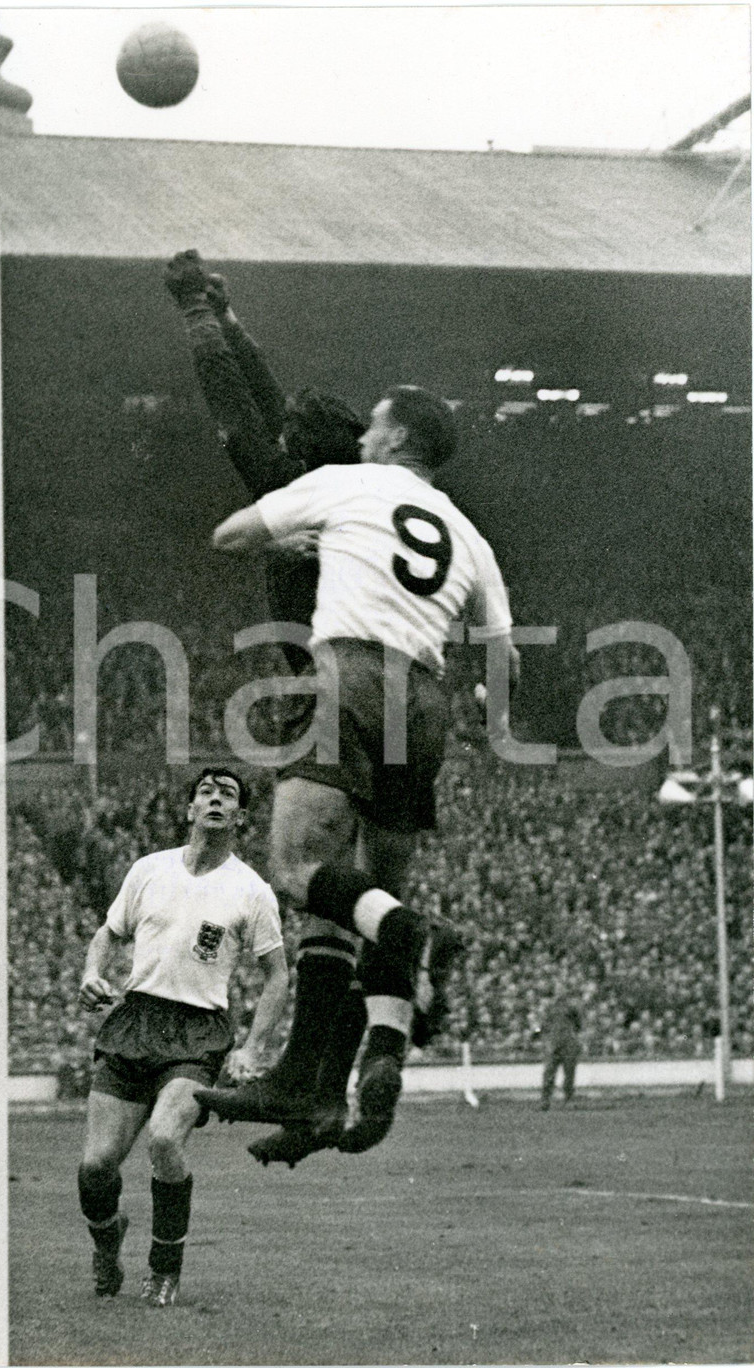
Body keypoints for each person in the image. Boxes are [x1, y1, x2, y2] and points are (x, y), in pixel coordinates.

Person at [195, 384, 518, 1153]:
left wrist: (292, 541)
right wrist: (499, 724)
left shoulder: (346, 483)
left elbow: (228, 535)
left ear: (398, 437)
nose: (365, 438)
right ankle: (360, 1071)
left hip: (350, 678)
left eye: (375, 427)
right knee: (364, 891)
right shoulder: (469, 535)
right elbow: (502, 645)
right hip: (427, 701)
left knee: (297, 867)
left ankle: (424, 939)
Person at [164, 251, 374, 1167]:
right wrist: (229, 312)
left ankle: (320, 1074)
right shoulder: (352, 492)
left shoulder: (297, 507)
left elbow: (234, 417)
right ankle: (326, 1093)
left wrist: (198, 321)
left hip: (318, 700)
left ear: (302, 452)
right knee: (333, 905)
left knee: (300, 878)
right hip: (384, 702)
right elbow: (277, 402)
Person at [76, 767, 288, 1306]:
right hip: (135, 1022)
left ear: (239, 817)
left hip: (198, 1032)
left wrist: (253, 1047)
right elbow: (108, 934)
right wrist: (91, 972)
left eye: (228, 795)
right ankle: (107, 1242)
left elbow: (278, 975)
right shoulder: (149, 869)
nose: (215, 799)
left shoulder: (251, 891)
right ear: (191, 809)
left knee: (166, 1138)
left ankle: (164, 1270)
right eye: (206, 792)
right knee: (96, 1168)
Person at [538, 988, 582, 1110]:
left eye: (562, 992)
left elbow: (578, 1024)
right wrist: (542, 1035)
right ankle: (545, 1100)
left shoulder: (571, 1008)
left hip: (567, 1044)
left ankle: (568, 1099)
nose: (560, 995)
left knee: (569, 1073)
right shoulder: (549, 1008)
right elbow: (542, 1025)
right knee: (549, 1073)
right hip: (554, 1044)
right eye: (558, 992)